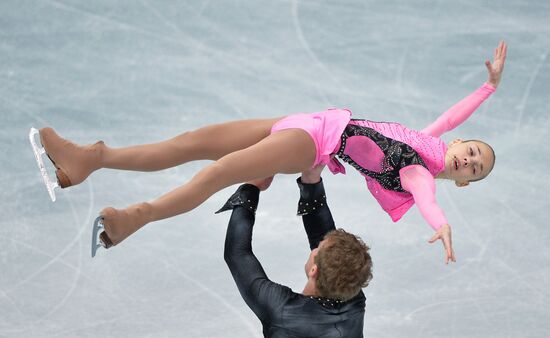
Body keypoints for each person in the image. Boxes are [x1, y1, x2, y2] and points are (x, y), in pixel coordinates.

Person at [33, 42, 507, 262]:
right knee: (190, 144)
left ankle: (138, 216)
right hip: (304, 122)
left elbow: (427, 199)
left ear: (463, 180)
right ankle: (91, 159)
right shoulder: (428, 140)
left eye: (476, 168)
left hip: (312, 142)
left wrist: (441, 225)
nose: (471, 159)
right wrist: (487, 87)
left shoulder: (417, 174)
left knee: (219, 172)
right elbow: (451, 117)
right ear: (459, 145)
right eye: (474, 151)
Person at [219, 167, 372, 337]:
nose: (315, 246)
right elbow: (328, 246)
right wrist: (311, 180)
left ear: (314, 270)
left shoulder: (283, 311)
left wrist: (251, 187)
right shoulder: (353, 298)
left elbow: (237, 254)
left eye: (318, 248)